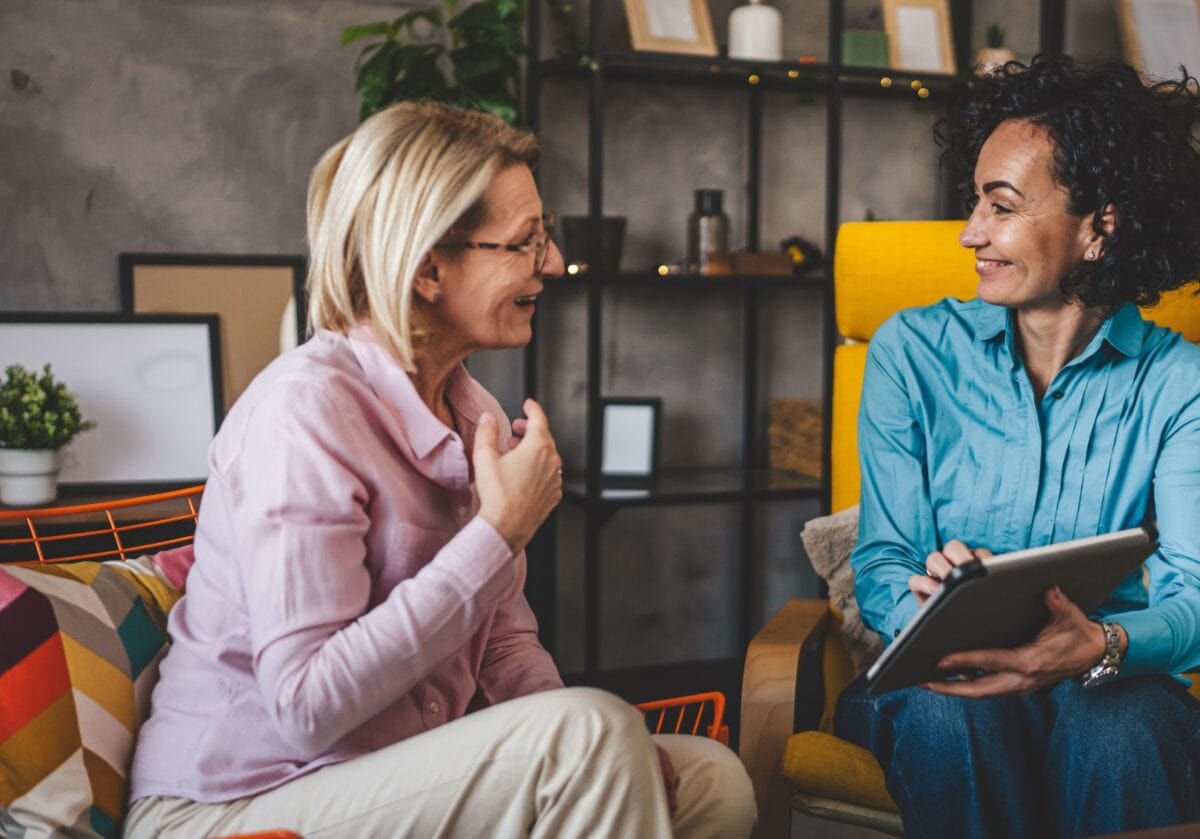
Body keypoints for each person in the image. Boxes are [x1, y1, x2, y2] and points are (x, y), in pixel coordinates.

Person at [125, 101, 755, 839]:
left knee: (713, 779)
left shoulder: (472, 411)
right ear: (428, 268)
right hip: (234, 807)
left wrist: (609, 760)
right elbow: (305, 704)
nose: (550, 263)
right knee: (591, 737)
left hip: (378, 780)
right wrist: (497, 532)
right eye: (525, 242)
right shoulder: (305, 412)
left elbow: (507, 642)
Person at [835, 55, 1200, 838]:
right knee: (955, 719)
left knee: (1123, 728)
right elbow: (883, 558)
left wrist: (1101, 643)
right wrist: (930, 618)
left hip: (1102, 680)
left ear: (1101, 222)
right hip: (934, 680)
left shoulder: (1178, 383)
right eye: (975, 203)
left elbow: (1195, 593)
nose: (971, 233)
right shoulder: (911, 352)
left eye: (1001, 207)